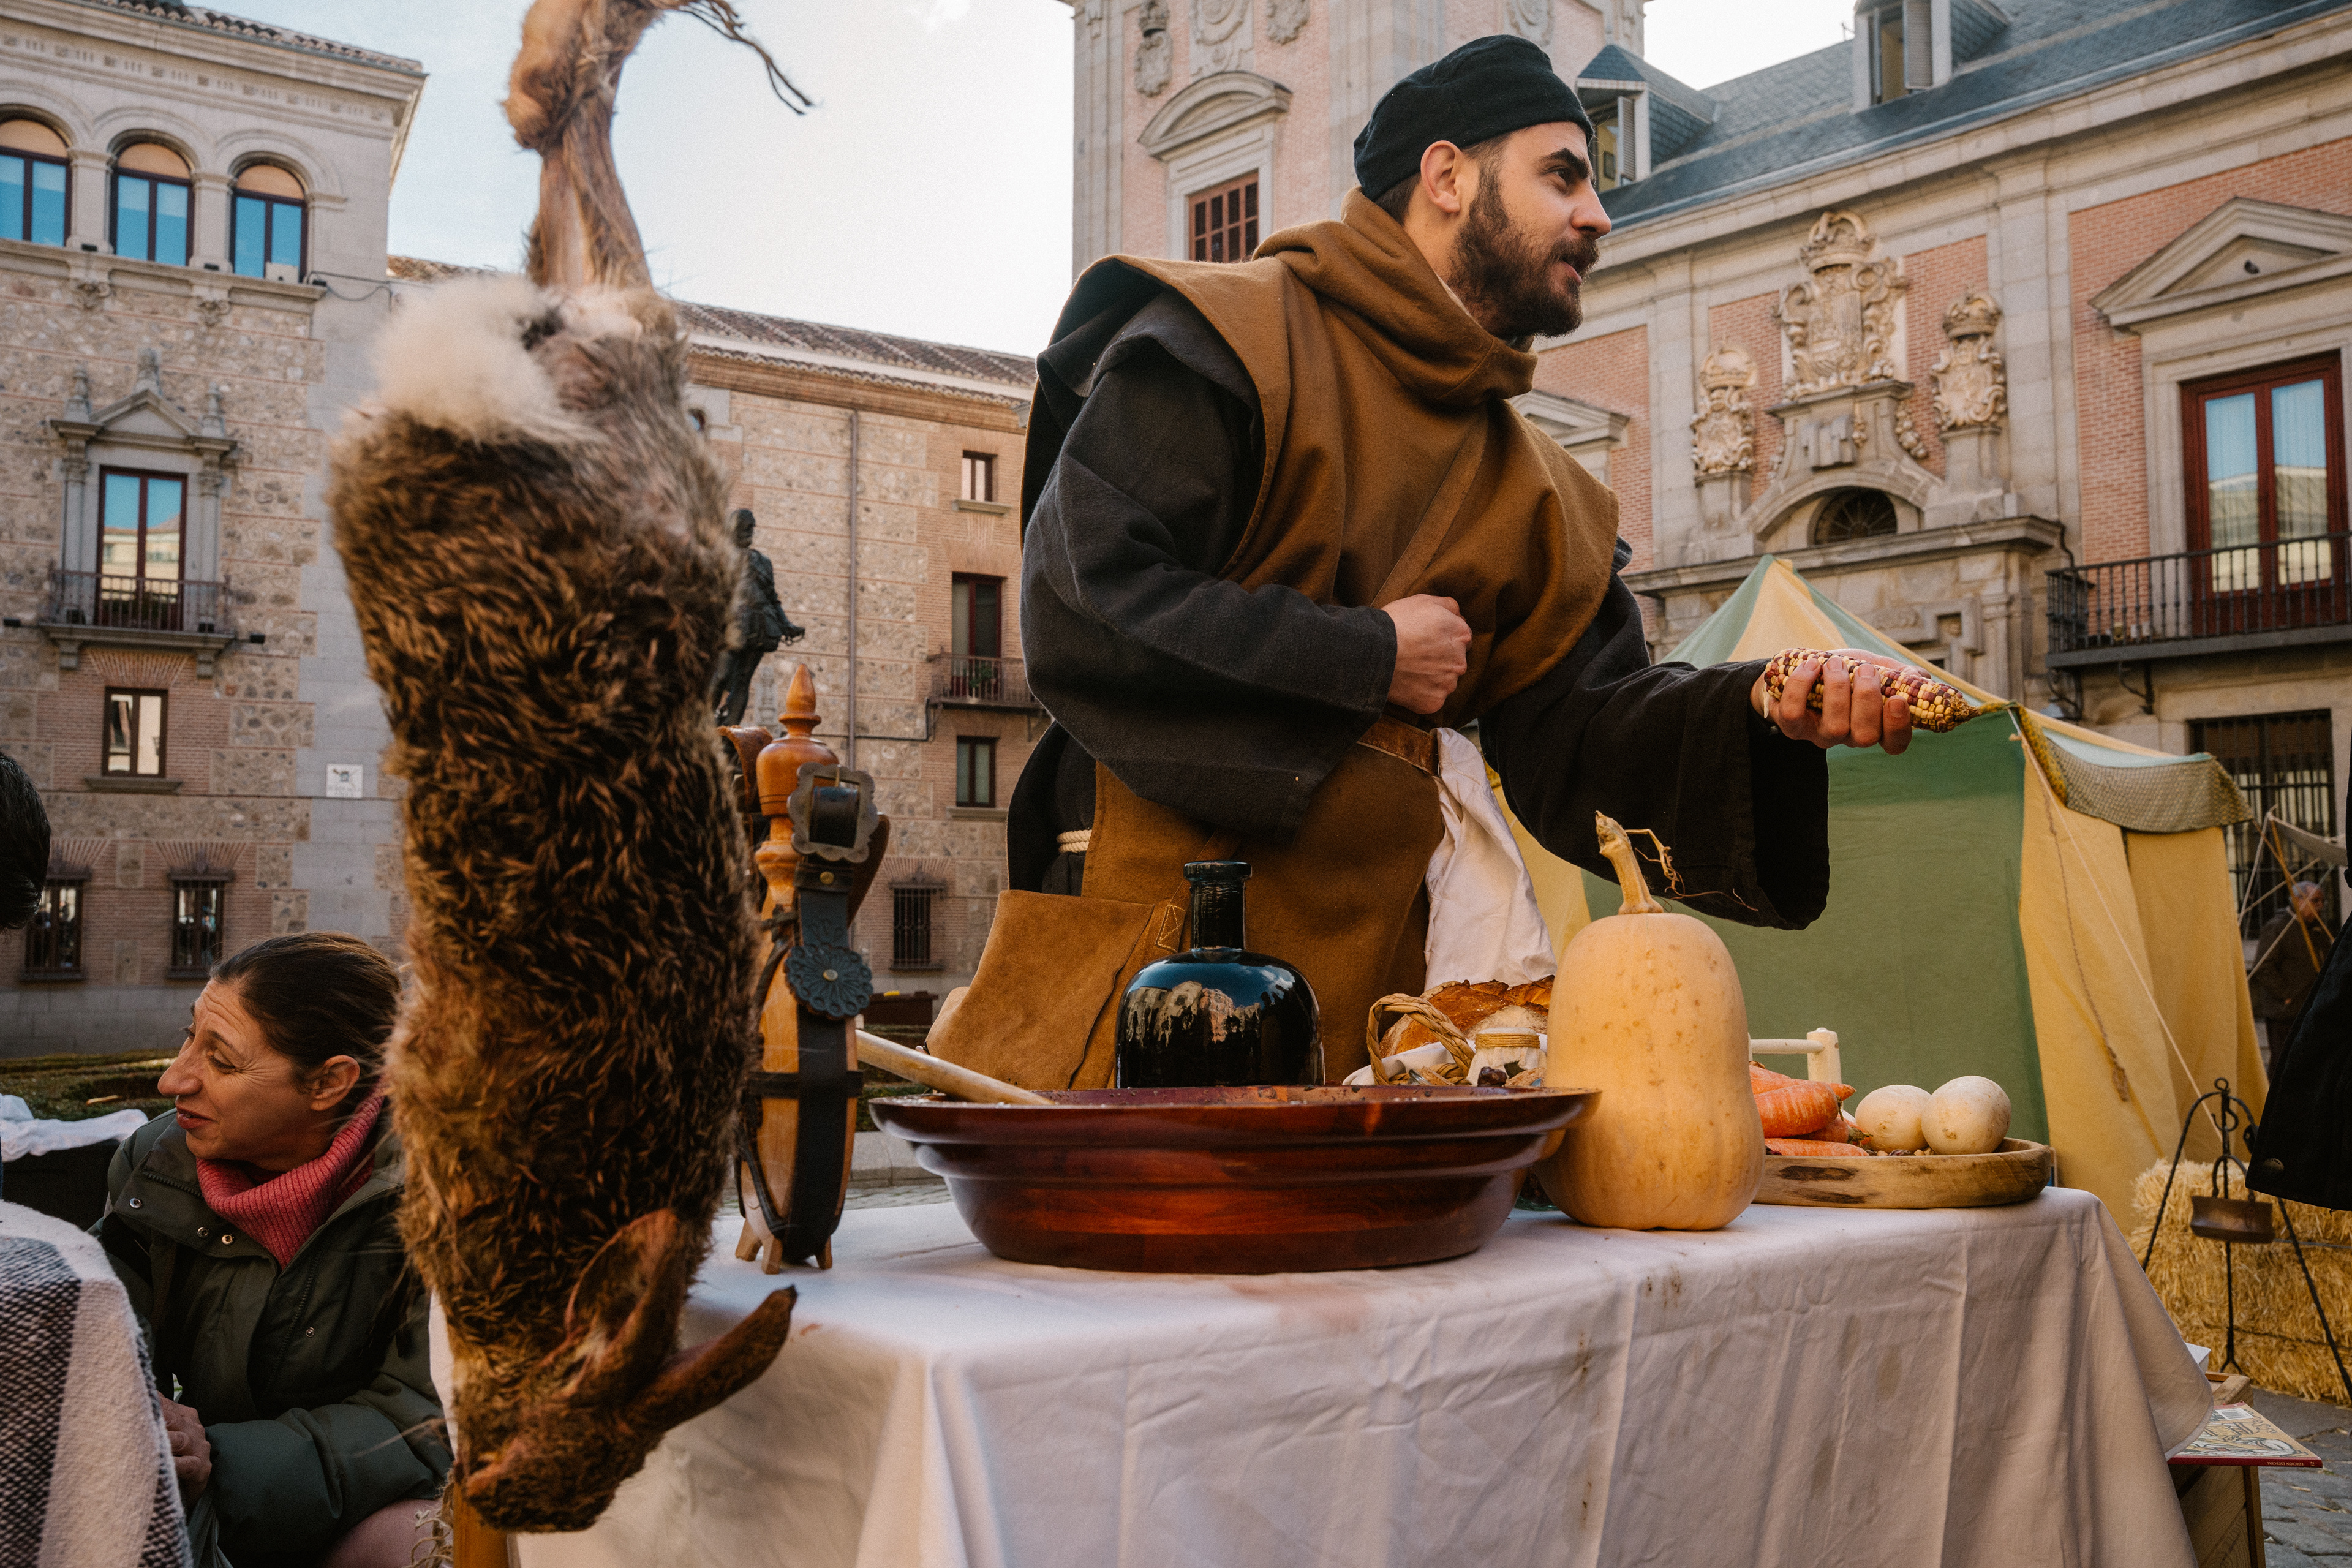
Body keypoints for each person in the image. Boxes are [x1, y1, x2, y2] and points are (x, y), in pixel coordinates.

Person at [935, 34, 1928, 1085]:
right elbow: (1083, 598)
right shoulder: (1230, 344)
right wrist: (1368, 656)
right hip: (1152, 984)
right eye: (1563, 174)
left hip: (1380, 1017)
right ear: (1448, 176)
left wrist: (1761, 708)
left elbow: (1582, 741)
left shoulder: (1541, 490)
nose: (1598, 214)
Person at [94, 932, 449, 1568]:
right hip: (210, 1503)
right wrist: (138, 1416)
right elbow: (106, 1328)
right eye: (188, 1037)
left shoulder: (443, 1196)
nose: (172, 1076)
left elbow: (422, 1420)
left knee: (417, 1547)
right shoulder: (157, 1163)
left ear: (328, 1083)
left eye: (222, 1061)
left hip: (371, 1512)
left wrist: (221, 1463)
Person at [709, 507, 804, 726]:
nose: (749, 531)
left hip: (760, 625)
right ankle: (704, 725)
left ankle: (729, 734)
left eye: (751, 527)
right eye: (744, 526)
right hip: (733, 626)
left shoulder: (763, 562)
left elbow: (772, 598)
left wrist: (787, 625)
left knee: (743, 680)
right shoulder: (721, 558)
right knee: (722, 676)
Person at [2250, 880, 2335, 1073]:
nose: (2320, 906)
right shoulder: (2278, 927)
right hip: (2285, 1013)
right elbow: (2263, 966)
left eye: (2321, 901)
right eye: (2315, 901)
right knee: (2284, 1064)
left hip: (2310, 1009)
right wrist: (2285, 995)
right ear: (2298, 901)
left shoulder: (2317, 929)